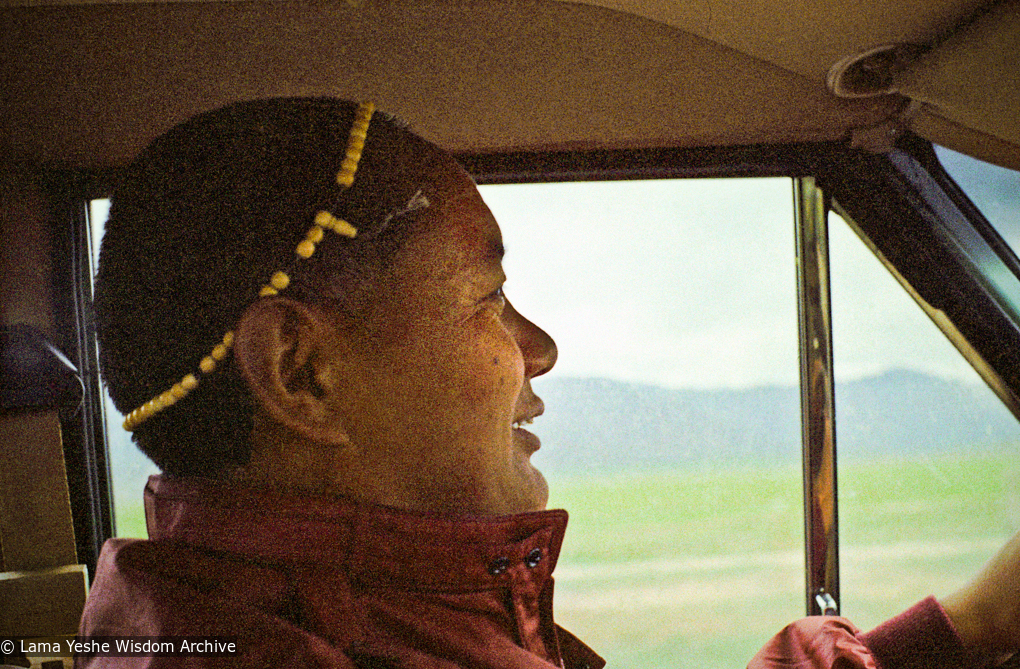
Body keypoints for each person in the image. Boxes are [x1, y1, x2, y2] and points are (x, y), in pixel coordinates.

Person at [79, 97, 1020, 668]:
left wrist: (968, 625)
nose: (540, 347)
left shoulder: (272, 617)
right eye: (487, 297)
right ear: (303, 372)